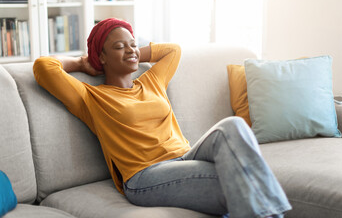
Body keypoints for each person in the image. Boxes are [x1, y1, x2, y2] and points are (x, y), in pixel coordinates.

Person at [33, 18, 291, 218]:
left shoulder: (152, 82)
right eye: (119, 47)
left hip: (186, 157)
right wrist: (82, 62)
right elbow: (44, 67)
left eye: (133, 44)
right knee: (245, 180)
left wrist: (135, 52)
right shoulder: (90, 97)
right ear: (102, 56)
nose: (130, 50)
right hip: (145, 176)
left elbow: (173, 51)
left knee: (232, 127)